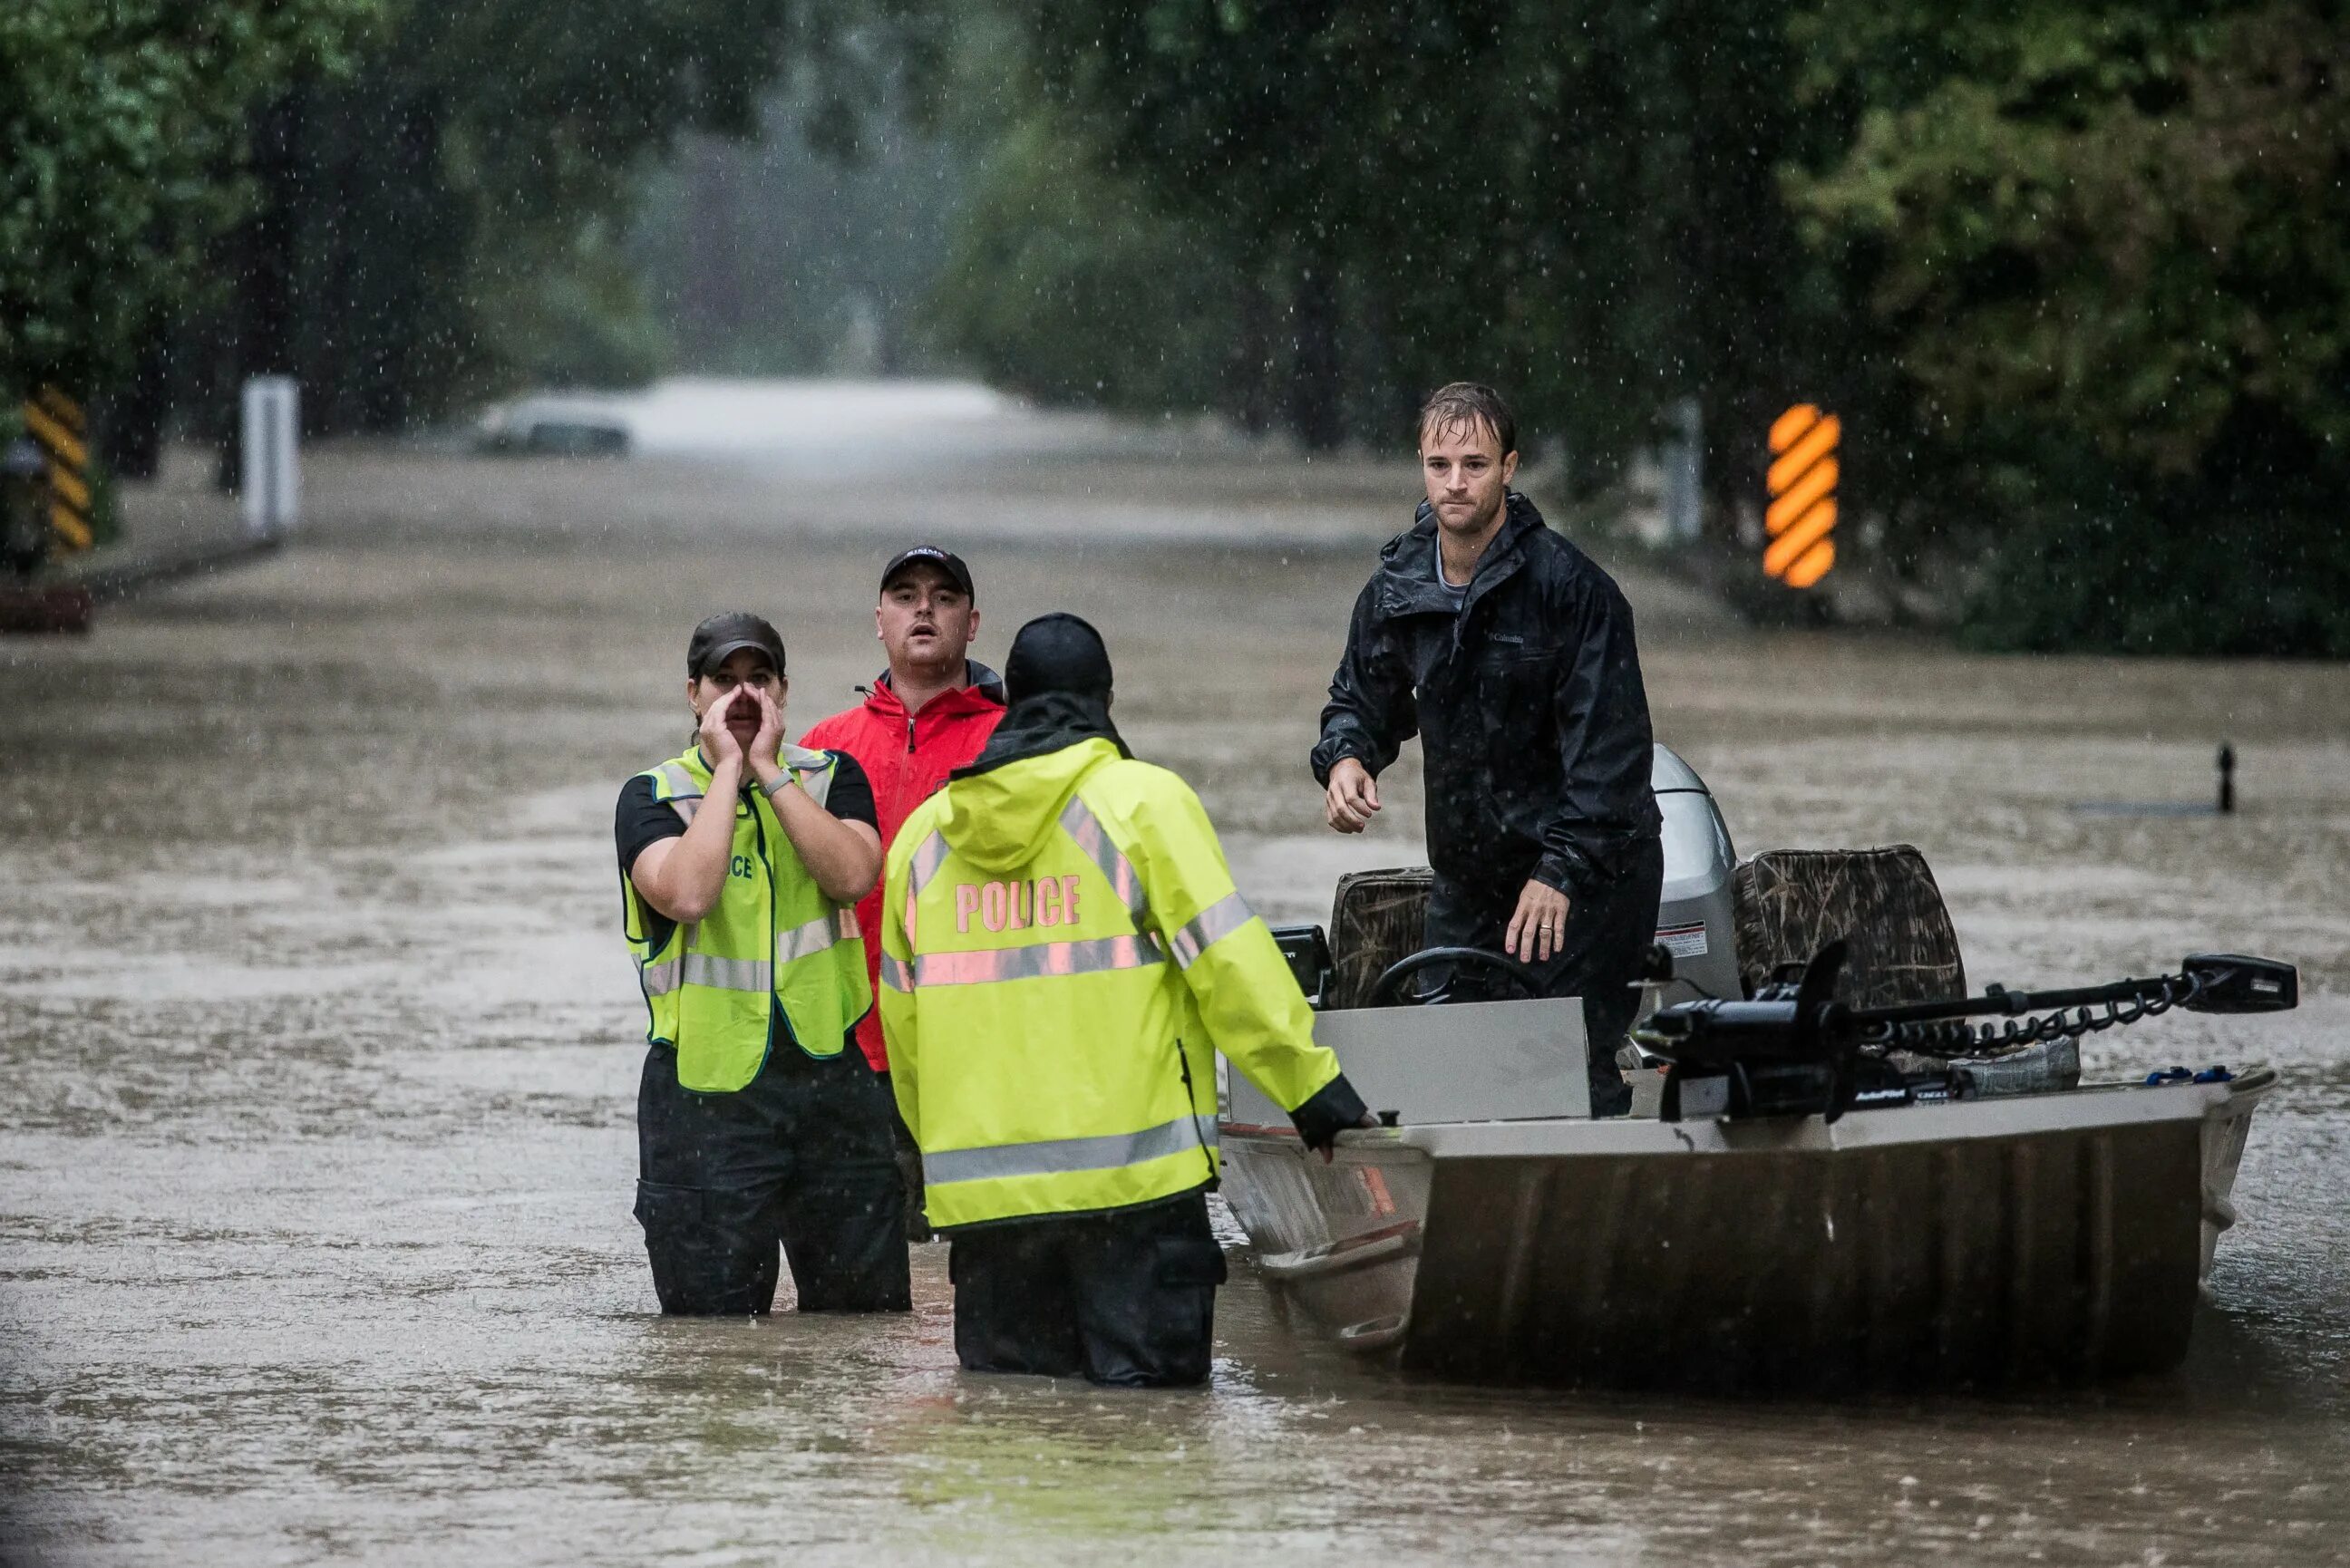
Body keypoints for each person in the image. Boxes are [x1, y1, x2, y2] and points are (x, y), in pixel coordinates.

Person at [879, 614, 1373, 1387]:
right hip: (1137, 1206)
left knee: (1010, 1454)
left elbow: (905, 1037)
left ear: (1009, 704)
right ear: (1105, 702)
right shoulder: (1142, 805)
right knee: (1152, 1442)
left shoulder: (923, 840)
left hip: (991, 1220)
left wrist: (946, 1154)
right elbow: (1230, 968)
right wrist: (1311, 1091)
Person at [1312, 382, 1664, 1117]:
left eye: (1474, 464)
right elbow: (1361, 701)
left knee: (1559, 1079)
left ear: (1510, 467)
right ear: (1421, 466)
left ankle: (1582, 1204)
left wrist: (1560, 872)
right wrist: (1347, 758)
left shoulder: (1574, 592)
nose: (1455, 483)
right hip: (1471, 877)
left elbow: (1612, 760)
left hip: (1588, 875)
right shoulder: (1398, 585)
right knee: (1454, 1075)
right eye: (1439, 465)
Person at [616, 611, 909, 1315]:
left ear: (783, 691)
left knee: (859, 1333)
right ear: (694, 695)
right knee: (711, 1348)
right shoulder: (652, 797)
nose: (742, 697)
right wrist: (726, 770)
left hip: (831, 1089)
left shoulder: (832, 778)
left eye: (759, 680)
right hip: (702, 1100)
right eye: (725, 681)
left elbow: (852, 876)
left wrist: (771, 770)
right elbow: (686, 892)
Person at [800, 547, 1005, 1237]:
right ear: (878, 620)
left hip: (975, 1051)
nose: (925, 608)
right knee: (866, 1287)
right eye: (907, 595)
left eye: (945, 598)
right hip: (849, 1051)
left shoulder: (1013, 742)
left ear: (972, 623)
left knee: (967, 1262)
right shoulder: (822, 749)